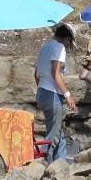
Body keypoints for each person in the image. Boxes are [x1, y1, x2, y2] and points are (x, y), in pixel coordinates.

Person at [34, 22, 77, 163]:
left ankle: (61, 163)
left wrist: (42, 88)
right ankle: (44, 165)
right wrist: (68, 95)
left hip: (42, 92)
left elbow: (36, 74)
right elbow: (55, 72)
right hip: (52, 94)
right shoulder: (59, 47)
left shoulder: (44, 47)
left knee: (58, 131)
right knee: (53, 135)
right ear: (68, 39)